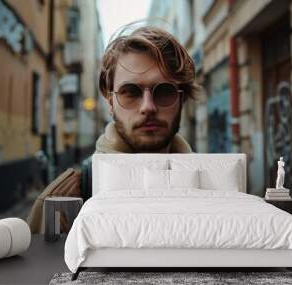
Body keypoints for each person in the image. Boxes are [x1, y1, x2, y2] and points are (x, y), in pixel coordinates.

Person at [27, 24, 200, 233]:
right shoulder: (62, 203)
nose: (148, 107)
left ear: (182, 98)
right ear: (110, 101)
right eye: (130, 92)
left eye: (164, 91)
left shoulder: (209, 187)